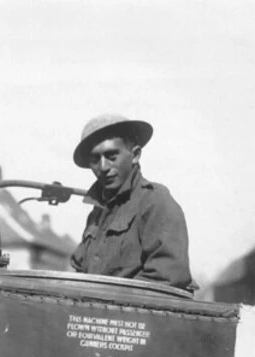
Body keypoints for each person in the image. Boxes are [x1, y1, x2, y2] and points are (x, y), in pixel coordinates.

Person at [70, 113, 194, 292]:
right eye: (95, 159)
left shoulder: (155, 202)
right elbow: (81, 270)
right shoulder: (97, 213)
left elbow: (167, 279)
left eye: (111, 156)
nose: (103, 167)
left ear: (135, 155)